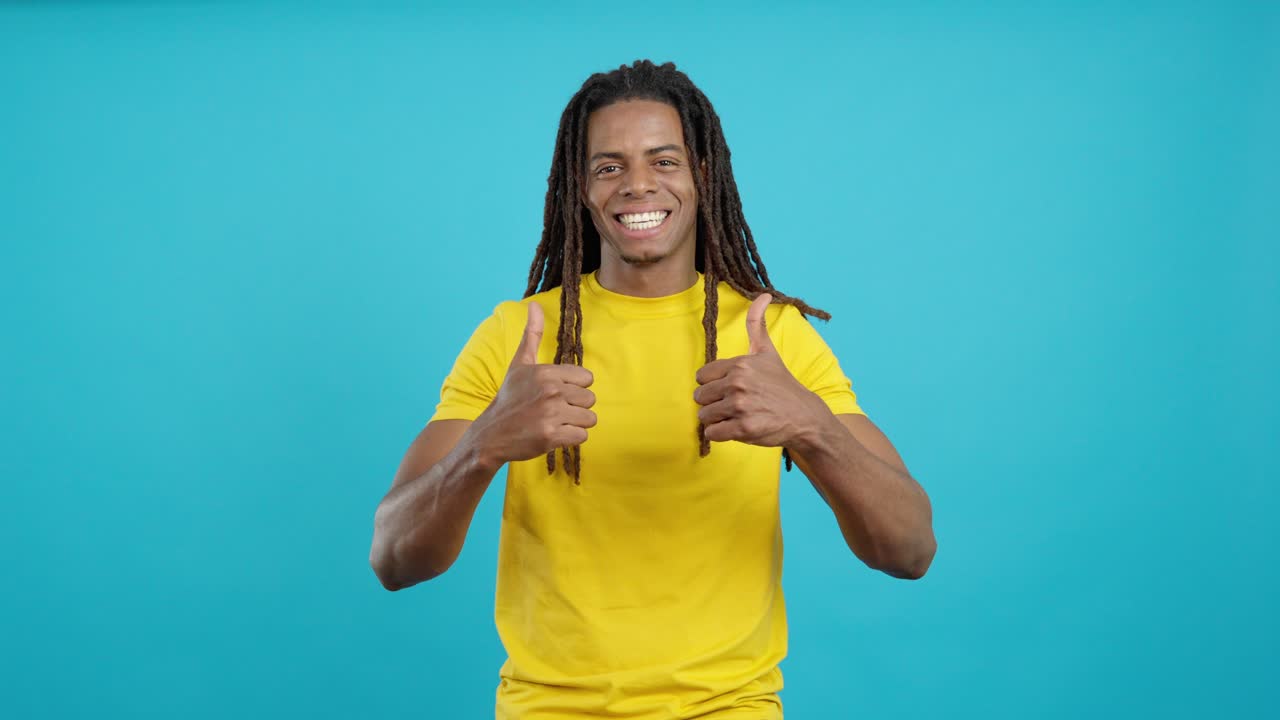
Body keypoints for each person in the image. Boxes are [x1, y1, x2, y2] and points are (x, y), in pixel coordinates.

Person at [369, 59, 936, 720]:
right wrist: (482, 448)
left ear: (702, 175)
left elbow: (910, 550)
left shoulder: (769, 334)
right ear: (578, 188)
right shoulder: (515, 335)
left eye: (663, 161)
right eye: (609, 167)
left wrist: (810, 425)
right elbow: (394, 560)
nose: (637, 186)